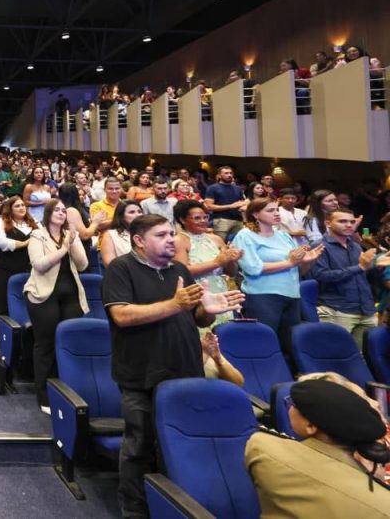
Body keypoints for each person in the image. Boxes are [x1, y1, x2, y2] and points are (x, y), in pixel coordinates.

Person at [103, 214, 244, 517]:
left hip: (185, 371)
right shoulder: (121, 269)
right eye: (161, 235)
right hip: (141, 374)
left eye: (171, 234)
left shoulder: (179, 269)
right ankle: (135, 511)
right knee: (139, 447)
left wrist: (207, 313)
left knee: (180, 447)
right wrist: (174, 304)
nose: (171, 240)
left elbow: (193, 317)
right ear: (139, 241)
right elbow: (122, 316)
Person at [246, 379, 390, 516]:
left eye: (292, 405)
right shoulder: (381, 499)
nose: (289, 408)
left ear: (310, 426)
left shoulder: (262, 448)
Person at [232, 198, 324, 352]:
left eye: (277, 210)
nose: (276, 213)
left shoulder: (283, 236)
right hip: (263, 296)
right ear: (255, 214)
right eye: (270, 210)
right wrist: (290, 263)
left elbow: (299, 272)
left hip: (291, 294)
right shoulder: (245, 235)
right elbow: (253, 268)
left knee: (290, 345)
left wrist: (306, 262)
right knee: (264, 343)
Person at [24, 199, 88, 412]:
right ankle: (44, 395)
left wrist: (73, 241)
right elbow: (40, 265)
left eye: (64, 210)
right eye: (57, 210)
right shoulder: (37, 235)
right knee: (46, 345)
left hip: (70, 295)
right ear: (48, 213)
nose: (62, 213)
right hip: (43, 296)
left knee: (69, 344)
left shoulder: (71, 234)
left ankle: (68, 392)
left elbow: (83, 265)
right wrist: (64, 248)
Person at [308, 208, 381, 348]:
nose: (349, 225)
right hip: (338, 309)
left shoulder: (356, 246)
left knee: (366, 359)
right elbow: (321, 276)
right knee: (338, 356)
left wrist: (377, 267)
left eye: (352, 222)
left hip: (366, 309)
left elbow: (365, 276)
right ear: (328, 223)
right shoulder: (319, 246)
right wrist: (359, 267)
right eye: (343, 221)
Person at [172, 200, 242, 322]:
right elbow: (182, 271)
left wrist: (231, 260)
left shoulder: (216, 239)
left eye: (205, 217)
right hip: (196, 293)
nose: (203, 221)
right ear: (182, 220)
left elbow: (231, 272)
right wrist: (217, 263)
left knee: (223, 331)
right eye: (197, 218)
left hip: (220, 289)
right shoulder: (178, 240)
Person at [0, 197, 38, 319]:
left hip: (29, 268)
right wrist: (25, 243)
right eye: (17, 206)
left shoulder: (33, 222)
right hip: (7, 268)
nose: (22, 208)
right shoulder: (0, 222)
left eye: (23, 205)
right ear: (10, 209)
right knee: (4, 299)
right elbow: (0, 241)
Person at [203, 166, 248, 242]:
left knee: (238, 244)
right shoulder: (213, 188)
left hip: (238, 220)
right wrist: (231, 206)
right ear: (219, 175)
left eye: (231, 173)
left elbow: (241, 204)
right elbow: (209, 206)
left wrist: (246, 205)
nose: (229, 175)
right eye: (226, 173)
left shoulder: (238, 188)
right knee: (220, 243)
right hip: (221, 219)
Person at [100, 200, 143, 268]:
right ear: (121, 216)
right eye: (132, 212)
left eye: (139, 212)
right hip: (124, 275)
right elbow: (110, 264)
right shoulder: (110, 235)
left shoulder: (148, 233)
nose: (137, 215)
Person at [89, 177, 124, 248]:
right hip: (105, 245)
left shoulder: (126, 204)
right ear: (104, 189)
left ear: (121, 189)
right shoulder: (97, 205)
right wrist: (122, 219)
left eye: (117, 188)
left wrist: (109, 222)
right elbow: (98, 226)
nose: (114, 191)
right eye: (110, 189)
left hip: (125, 244)